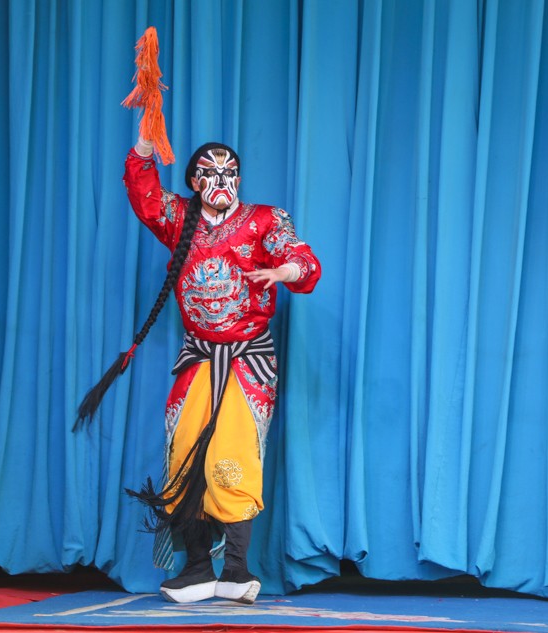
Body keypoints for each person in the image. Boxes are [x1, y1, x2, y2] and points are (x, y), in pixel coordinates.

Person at [119, 134, 321, 605]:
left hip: (248, 361)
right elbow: (145, 197)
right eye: (210, 173)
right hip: (198, 360)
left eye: (229, 172)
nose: (221, 180)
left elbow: (303, 259)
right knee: (185, 457)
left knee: (233, 458)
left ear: (239, 178)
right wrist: (146, 147)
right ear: (194, 180)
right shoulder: (179, 218)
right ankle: (195, 568)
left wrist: (283, 272)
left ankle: (236, 569)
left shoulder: (265, 220)